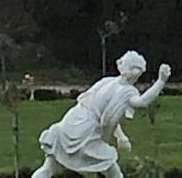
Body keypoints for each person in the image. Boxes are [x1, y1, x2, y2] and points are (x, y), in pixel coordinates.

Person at [32, 50, 171, 178]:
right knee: (111, 167)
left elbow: (107, 114)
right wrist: (161, 82)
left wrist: (120, 136)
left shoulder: (108, 81)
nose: (138, 74)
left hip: (74, 118)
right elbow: (142, 102)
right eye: (137, 70)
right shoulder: (128, 91)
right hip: (86, 128)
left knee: (49, 167)